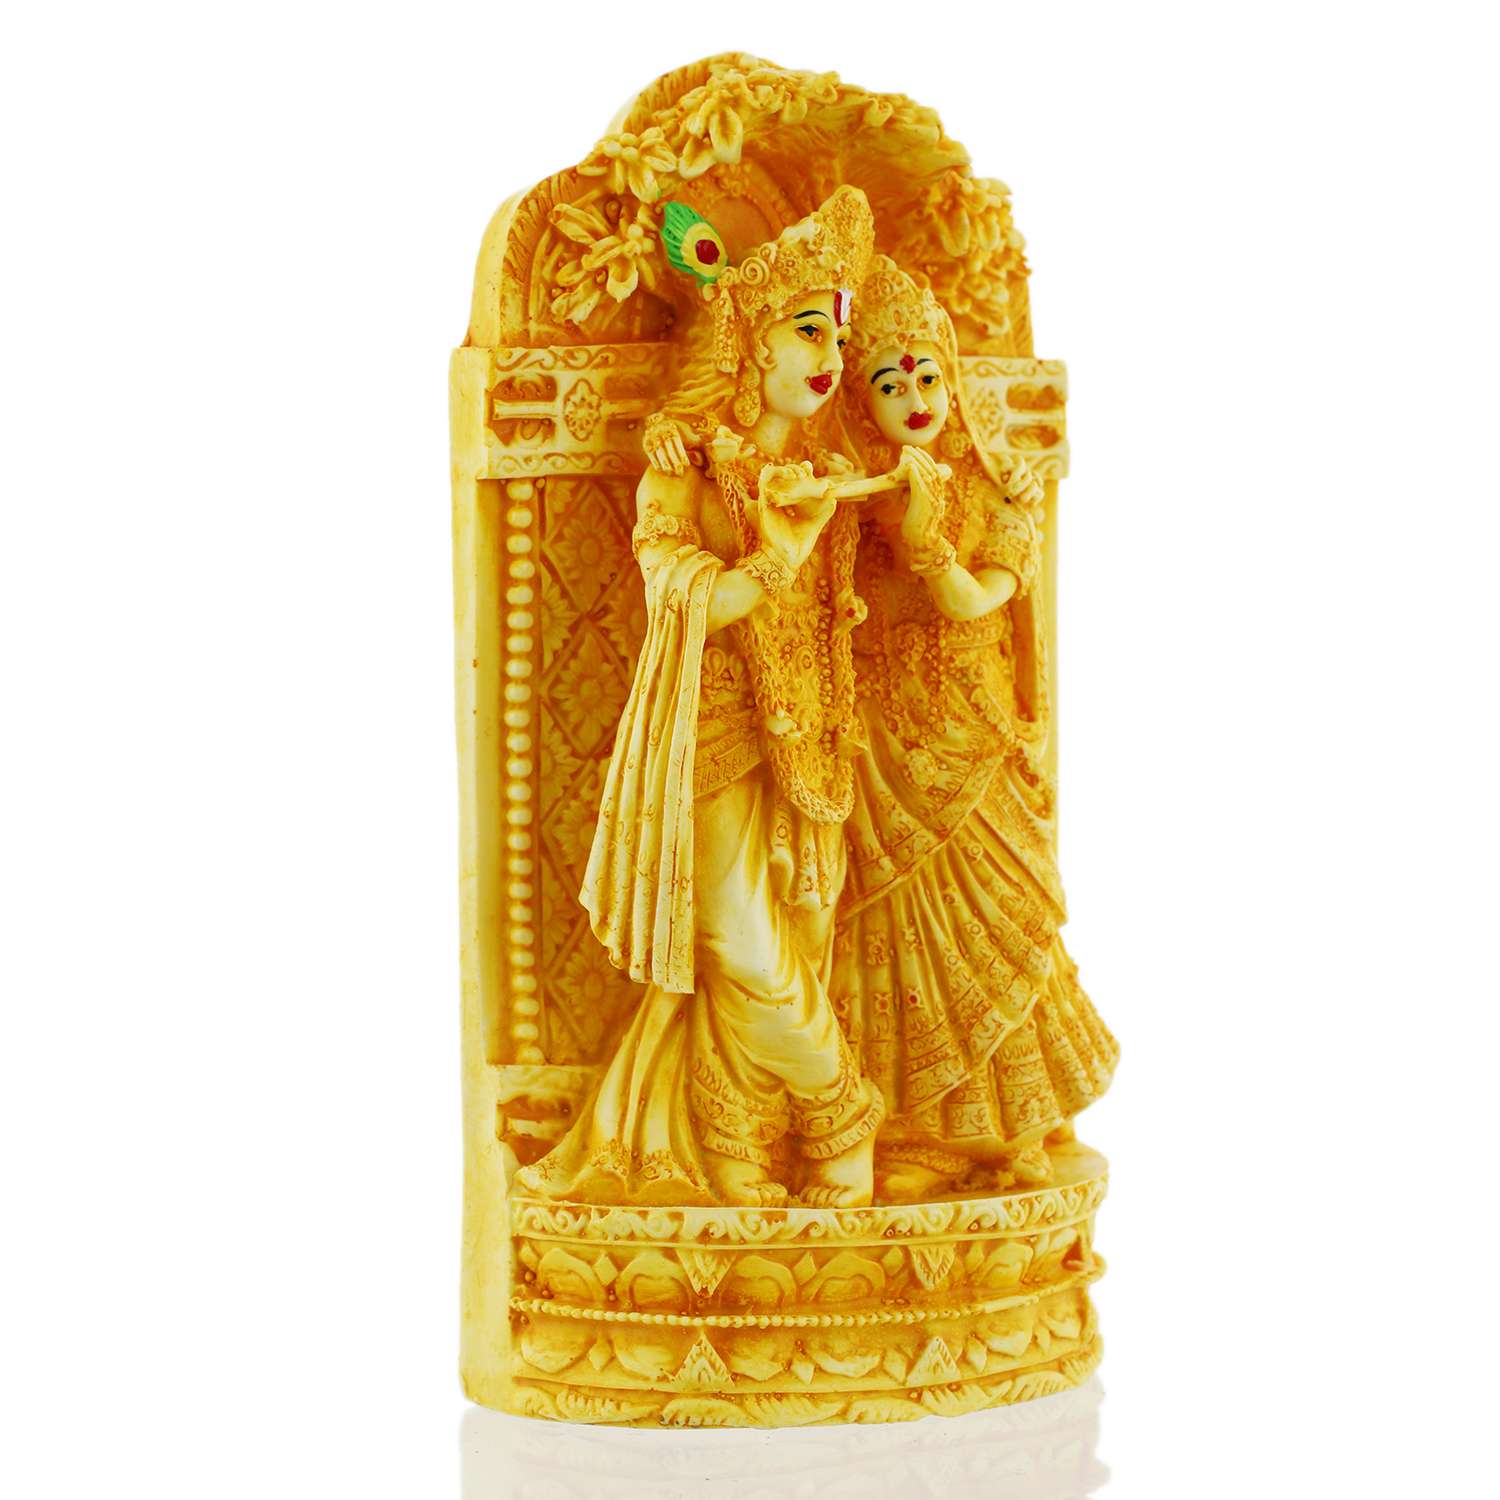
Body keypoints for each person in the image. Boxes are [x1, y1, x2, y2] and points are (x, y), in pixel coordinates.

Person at [516, 188, 885, 1208]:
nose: (831, 357)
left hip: (816, 740)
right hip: (713, 731)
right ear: (750, 342)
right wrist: (777, 555)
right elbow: (698, 601)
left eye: (838, 338)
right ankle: (842, 1116)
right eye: (808, 332)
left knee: (794, 945)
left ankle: (732, 1150)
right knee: (738, 944)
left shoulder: (829, 472)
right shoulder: (680, 472)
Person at [831, 256, 1118, 1200]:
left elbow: (973, 599)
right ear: (859, 400)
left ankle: (1016, 1131)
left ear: (951, 381)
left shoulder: (992, 491)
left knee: (998, 925)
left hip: (972, 744)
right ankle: (915, 1131)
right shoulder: (853, 498)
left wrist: (929, 547)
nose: (914, 399)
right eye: (889, 384)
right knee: (895, 939)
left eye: (926, 377)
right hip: (879, 756)